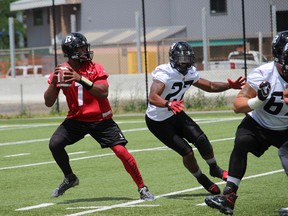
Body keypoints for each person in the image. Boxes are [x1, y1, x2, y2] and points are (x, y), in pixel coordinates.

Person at [44, 32, 154, 201]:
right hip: (76, 120)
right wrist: (53, 83)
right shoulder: (62, 70)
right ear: (70, 50)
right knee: (55, 144)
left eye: (84, 47)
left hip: (101, 119)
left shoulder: (95, 68)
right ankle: (70, 178)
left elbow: (103, 93)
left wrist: (80, 79)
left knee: (121, 151)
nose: (84, 51)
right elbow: (48, 102)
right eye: (80, 48)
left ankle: (142, 187)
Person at [145, 41, 245, 195]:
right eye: (181, 58)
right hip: (158, 120)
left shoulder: (190, 72)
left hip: (175, 112)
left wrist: (229, 86)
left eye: (187, 58)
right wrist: (168, 103)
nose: (184, 61)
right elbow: (152, 97)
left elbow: (210, 86)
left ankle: (214, 169)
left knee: (201, 140)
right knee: (188, 152)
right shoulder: (164, 73)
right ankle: (201, 178)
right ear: (173, 58)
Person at [205, 30, 288, 215]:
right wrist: (259, 99)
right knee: (242, 141)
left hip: (286, 127)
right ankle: (228, 197)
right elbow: (237, 105)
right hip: (259, 123)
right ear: (278, 57)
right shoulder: (263, 74)